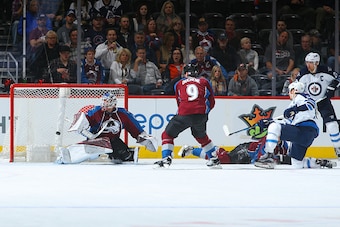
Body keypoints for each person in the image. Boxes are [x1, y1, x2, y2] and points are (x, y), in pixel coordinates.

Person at [56, 93, 158, 164]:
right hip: (95, 140)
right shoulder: (96, 111)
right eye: (104, 102)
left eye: (108, 103)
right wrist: (79, 124)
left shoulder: (123, 114)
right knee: (90, 153)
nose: (105, 105)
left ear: (114, 104)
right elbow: (85, 118)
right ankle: (69, 156)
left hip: (113, 141)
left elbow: (135, 128)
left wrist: (144, 138)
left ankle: (129, 154)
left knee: (124, 157)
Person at [254, 81, 336, 169]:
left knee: (274, 127)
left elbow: (311, 104)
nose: (289, 94)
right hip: (305, 134)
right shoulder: (295, 103)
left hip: (303, 129)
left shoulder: (301, 97)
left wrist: (295, 109)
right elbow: (286, 122)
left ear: (294, 90)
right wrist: (268, 122)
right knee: (297, 163)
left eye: (289, 91)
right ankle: (319, 162)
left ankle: (269, 157)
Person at [154, 64, 221, 168]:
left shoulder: (178, 83)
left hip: (184, 113)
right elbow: (211, 101)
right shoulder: (204, 81)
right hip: (201, 115)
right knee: (202, 137)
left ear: (185, 73)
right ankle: (214, 159)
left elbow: (179, 101)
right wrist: (204, 113)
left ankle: (166, 158)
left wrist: (184, 112)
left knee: (167, 135)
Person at [297, 52, 340, 157]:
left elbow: (338, 79)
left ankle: (338, 149)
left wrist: (332, 86)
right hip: (308, 103)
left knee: (332, 125)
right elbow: (296, 87)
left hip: (323, 102)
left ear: (317, 63)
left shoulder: (326, 71)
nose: (308, 65)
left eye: (311, 62)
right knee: (297, 125)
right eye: (307, 62)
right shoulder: (302, 73)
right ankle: (292, 149)